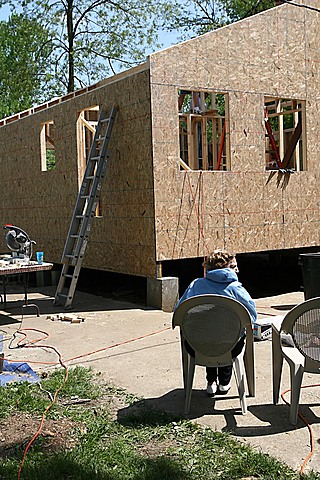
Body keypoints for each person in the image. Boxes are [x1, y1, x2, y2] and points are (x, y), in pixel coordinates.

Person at [175, 249, 257, 397]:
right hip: (230, 348)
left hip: (196, 347)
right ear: (227, 269)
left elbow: (178, 313)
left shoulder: (195, 285)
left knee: (206, 334)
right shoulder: (236, 289)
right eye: (234, 266)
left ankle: (210, 382)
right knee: (228, 336)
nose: (238, 270)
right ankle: (224, 383)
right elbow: (252, 317)